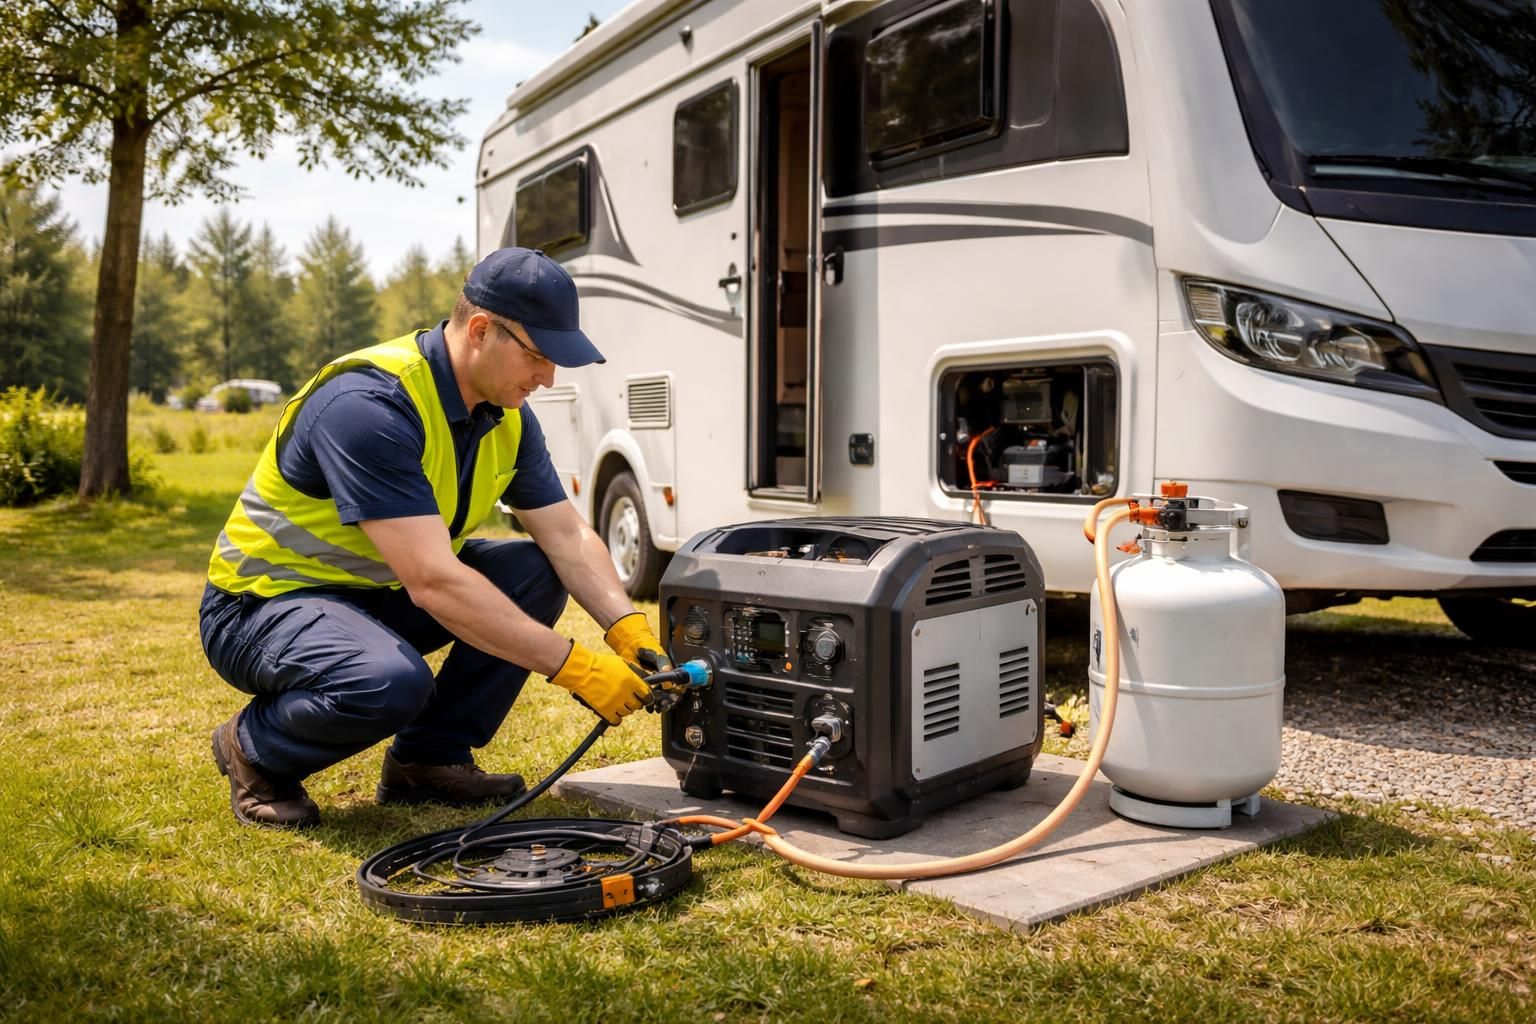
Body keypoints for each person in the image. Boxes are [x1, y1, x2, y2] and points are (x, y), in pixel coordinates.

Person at [199, 247, 669, 829]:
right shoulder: (368, 406)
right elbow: (432, 580)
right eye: (540, 356)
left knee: (535, 570)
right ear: (480, 331)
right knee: (389, 682)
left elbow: (567, 534)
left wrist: (625, 626)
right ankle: (254, 749)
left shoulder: (506, 416)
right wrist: (576, 669)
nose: (548, 379)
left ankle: (428, 759)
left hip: (371, 595)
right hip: (262, 606)